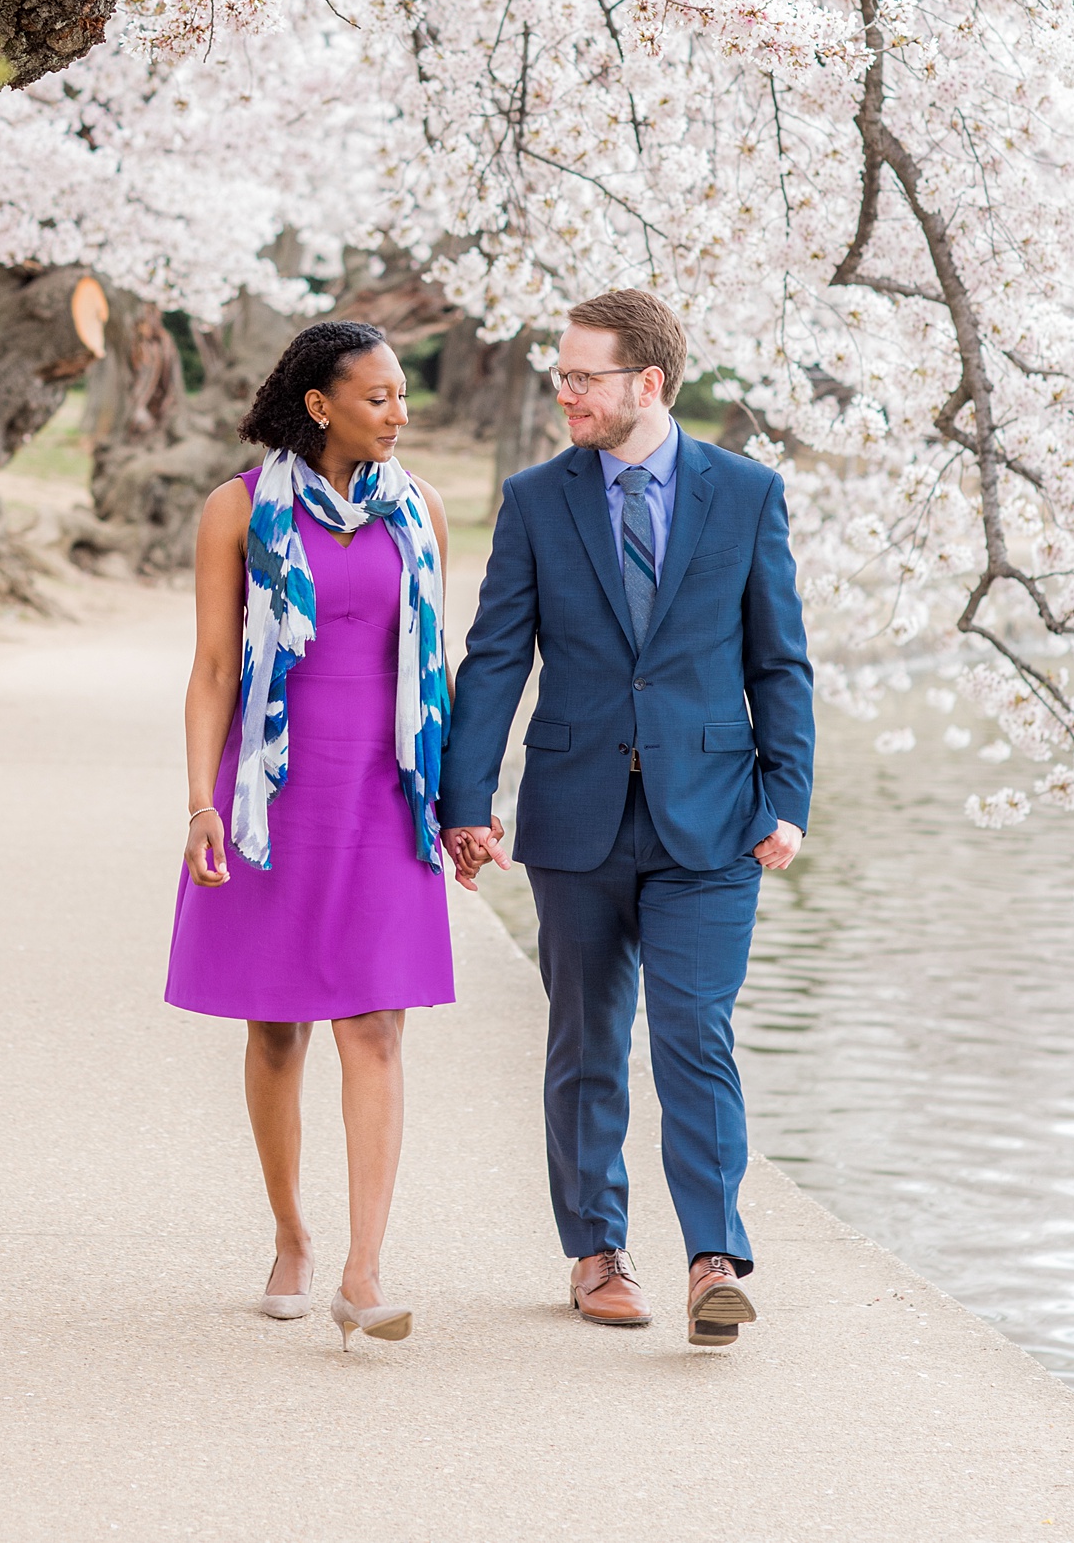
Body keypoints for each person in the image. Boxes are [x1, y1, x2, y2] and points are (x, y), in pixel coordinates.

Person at [439, 289, 813, 1347]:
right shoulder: (535, 499)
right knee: (586, 1039)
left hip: (713, 817)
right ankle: (596, 1250)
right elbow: (498, 654)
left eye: (582, 376)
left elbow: (776, 659)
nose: (564, 391)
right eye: (559, 374)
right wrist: (467, 800)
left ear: (646, 383)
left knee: (694, 1031)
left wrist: (785, 797)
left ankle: (712, 1256)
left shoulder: (743, 493)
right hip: (575, 815)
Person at [164, 320, 453, 1350]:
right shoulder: (235, 511)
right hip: (270, 791)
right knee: (275, 1023)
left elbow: (435, 673)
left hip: (383, 791)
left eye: (402, 393)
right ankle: (289, 1230)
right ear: (318, 403)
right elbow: (210, 668)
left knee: (373, 1026)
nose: (398, 412)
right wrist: (199, 799)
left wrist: (457, 806)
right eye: (377, 395)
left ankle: (363, 1269)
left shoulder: (418, 510)